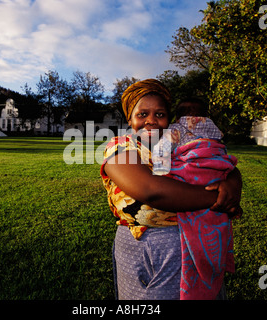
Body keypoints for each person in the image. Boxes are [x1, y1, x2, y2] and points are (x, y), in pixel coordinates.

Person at [100, 79, 242, 300]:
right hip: (145, 253)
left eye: (159, 114)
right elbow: (150, 190)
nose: (151, 121)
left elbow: (221, 163)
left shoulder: (179, 142)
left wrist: (233, 184)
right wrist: (220, 198)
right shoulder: (120, 147)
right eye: (142, 114)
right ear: (130, 118)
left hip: (193, 247)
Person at [152, 98, 241, 299]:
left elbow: (161, 152)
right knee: (215, 220)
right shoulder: (213, 127)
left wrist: (160, 170)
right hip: (215, 171)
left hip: (192, 170)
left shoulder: (174, 129)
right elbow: (220, 148)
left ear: (177, 115)